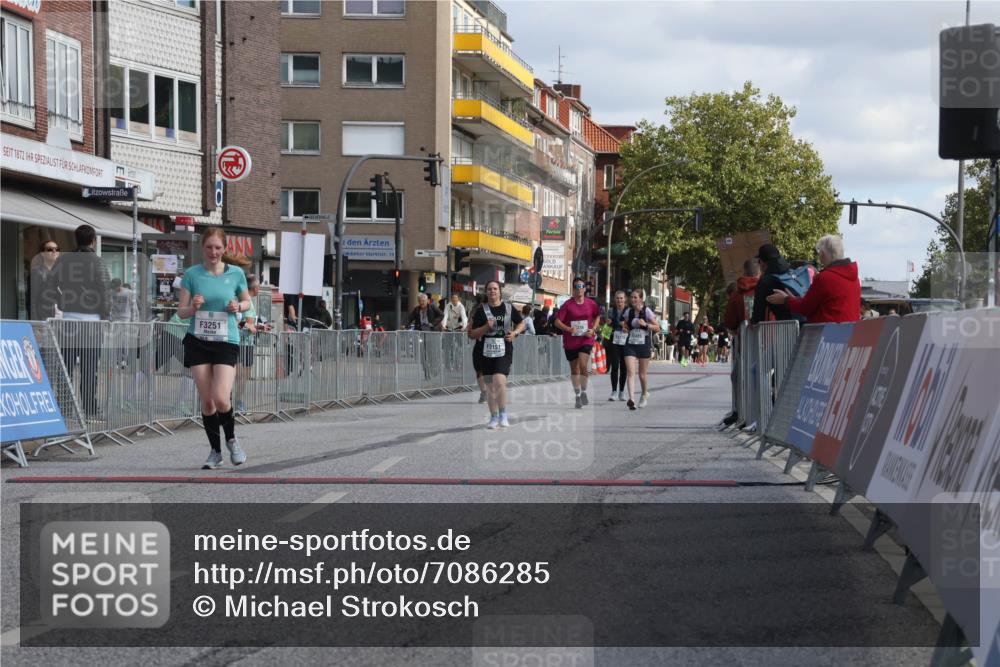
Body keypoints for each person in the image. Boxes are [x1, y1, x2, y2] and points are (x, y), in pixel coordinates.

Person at [177, 227, 252, 470]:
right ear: (203, 248)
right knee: (207, 402)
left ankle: (232, 441)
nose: (213, 252)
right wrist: (194, 307)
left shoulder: (236, 273)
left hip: (225, 340)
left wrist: (237, 307)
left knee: (221, 397)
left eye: (218, 247)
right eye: (209, 247)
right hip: (198, 340)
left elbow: (247, 302)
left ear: (224, 249)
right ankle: (215, 452)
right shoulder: (192, 274)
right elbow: (181, 312)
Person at [49, 224, 111, 417]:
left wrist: (62, 302)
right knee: (89, 366)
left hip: (68, 319)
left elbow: (51, 284)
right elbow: (105, 292)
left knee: (66, 365)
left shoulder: (64, 260)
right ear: (93, 240)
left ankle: (66, 406)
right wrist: (106, 317)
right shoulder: (97, 262)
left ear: (76, 239)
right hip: (92, 321)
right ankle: (90, 408)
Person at [468, 280, 525, 429]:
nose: (492, 291)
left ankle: (503, 414)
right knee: (490, 387)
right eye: (489, 289)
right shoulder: (481, 311)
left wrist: (515, 333)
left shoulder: (508, 308)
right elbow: (472, 334)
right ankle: (493, 417)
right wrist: (487, 327)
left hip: (504, 349)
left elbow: (522, 323)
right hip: (485, 351)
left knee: (499, 382)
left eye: (495, 289)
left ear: (500, 291)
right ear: (486, 292)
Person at [766, 235, 861, 324]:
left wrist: (785, 299)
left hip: (826, 336)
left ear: (823, 254)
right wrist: (794, 299)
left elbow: (805, 308)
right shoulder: (855, 279)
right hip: (850, 335)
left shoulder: (825, 278)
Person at [554, 277, 601, 408]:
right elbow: (557, 322)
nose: (579, 289)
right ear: (573, 289)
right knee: (574, 370)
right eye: (576, 286)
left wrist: (594, 329)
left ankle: (584, 391)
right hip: (571, 341)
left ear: (585, 289)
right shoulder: (567, 305)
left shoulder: (591, 304)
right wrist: (568, 329)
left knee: (582, 365)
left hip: (586, 339)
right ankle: (578, 395)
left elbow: (598, 316)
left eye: (581, 286)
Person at [622, 289, 660, 409]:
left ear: (641, 299)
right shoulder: (629, 311)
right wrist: (625, 328)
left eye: (635, 297)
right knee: (630, 372)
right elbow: (626, 324)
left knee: (642, 375)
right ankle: (631, 399)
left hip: (644, 343)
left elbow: (658, 328)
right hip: (631, 343)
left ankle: (644, 394)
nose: (633, 299)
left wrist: (646, 325)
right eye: (631, 297)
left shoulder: (647, 311)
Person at [234, 273, 262, 413]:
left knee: (243, 375)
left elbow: (247, 323)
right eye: (259, 286)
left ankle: (237, 401)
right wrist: (248, 325)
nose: (259, 289)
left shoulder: (245, 300)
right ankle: (235, 402)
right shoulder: (246, 302)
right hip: (242, 342)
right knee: (240, 375)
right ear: (255, 287)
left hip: (246, 342)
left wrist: (259, 326)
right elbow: (239, 322)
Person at [751, 243, 795, 324]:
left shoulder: (765, 282)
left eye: (759, 261)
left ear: (762, 262)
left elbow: (758, 315)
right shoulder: (792, 274)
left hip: (786, 329)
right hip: (807, 325)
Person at [604, 290, 629, 401]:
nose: (619, 300)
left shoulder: (629, 311)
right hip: (614, 340)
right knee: (615, 366)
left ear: (625, 299)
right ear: (615, 299)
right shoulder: (610, 311)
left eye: (621, 298)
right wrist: (606, 329)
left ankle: (622, 391)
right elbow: (607, 326)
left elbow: (631, 325)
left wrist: (625, 326)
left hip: (625, 340)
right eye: (617, 298)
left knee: (624, 366)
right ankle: (614, 391)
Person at [28, 239, 61, 320]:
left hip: (60, 321)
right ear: (42, 254)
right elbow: (32, 302)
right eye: (50, 249)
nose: (54, 251)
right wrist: (36, 324)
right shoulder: (37, 273)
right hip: (44, 320)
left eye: (57, 249)